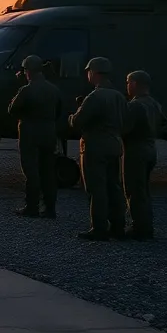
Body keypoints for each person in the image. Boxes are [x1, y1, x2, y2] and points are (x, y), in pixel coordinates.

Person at [68, 57, 128, 241]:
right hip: (114, 144)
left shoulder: (95, 96)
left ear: (93, 73)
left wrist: (72, 116)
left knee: (96, 188)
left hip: (95, 146)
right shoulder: (119, 96)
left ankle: (99, 227)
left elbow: (78, 122)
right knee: (114, 186)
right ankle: (118, 226)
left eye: (89, 72)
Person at [7, 55, 65, 218]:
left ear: (28, 72)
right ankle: (50, 208)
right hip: (48, 132)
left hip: (30, 133)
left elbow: (12, 109)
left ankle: (32, 206)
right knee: (48, 171)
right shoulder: (54, 89)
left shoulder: (26, 90)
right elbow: (59, 111)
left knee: (31, 171)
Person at [123, 70, 165, 240]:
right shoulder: (154, 103)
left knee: (134, 189)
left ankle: (139, 227)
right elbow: (163, 122)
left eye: (128, 82)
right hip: (150, 148)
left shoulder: (135, 105)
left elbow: (125, 128)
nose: (127, 86)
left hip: (136, 150)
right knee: (144, 189)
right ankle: (146, 224)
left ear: (134, 84)